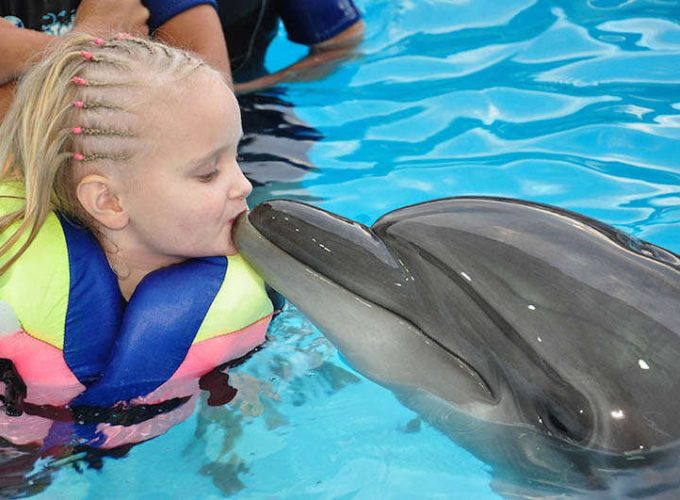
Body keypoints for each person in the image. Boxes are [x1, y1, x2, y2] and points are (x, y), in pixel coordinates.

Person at [0, 0, 364, 118]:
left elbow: (207, 100)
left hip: (248, 118)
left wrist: (248, 90)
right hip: (145, 113)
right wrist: (92, 40)